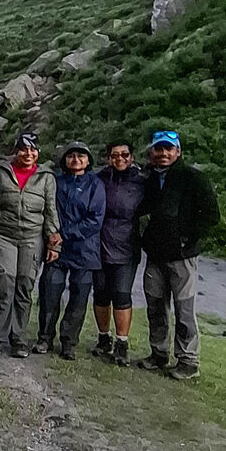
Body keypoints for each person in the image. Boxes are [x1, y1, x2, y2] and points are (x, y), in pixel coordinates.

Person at [136, 129, 219, 381]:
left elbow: (211, 216)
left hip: (182, 257)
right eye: (158, 149)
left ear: (178, 152)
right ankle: (158, 353)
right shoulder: (149, 179)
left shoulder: (194, 178)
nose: (163, 154)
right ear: (152, 153)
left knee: (184, 309)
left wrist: (188, 238)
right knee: (155, 305)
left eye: (168, 149)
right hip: (155, 255)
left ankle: (188, 360)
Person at [0, 133, 60, 358]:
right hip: (4, 237)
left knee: (25, 288)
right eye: (23, 149)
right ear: (16, 151)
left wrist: (54, 243)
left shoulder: (46, 177)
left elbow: (51, 211)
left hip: (33, 240)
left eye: (32, 150)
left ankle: (19, 338)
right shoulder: (0, 173)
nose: (28, 154)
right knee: (5, 286)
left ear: (38, 153)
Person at [36, 142, 105, 360]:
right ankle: (45, 337)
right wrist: (53, 236)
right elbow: (47, 208)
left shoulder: (96, 184)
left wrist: (65, 234)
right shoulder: (55, 181)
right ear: (64, 159)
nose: (76, 159)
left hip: (84, 250)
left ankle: (69, 342)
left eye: (81, 156)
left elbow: (95, 219)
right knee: (49, 293)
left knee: (78, 299)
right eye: (71, 156)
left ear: (88, 160)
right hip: (56, 250)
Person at [93, 140, 146, 365]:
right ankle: (104, 338)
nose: (120, 159)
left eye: (125, 155)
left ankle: (122, 343)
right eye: (115, 155)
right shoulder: (99, 178)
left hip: (127, 245)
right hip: (100, 243)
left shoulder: (142, 181)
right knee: (101, 294)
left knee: (122, 294)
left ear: (132, 157)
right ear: (108, 158)